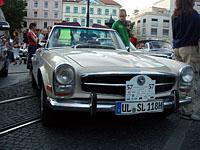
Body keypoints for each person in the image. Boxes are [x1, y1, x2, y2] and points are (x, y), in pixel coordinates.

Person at [172, 0, 200, 120]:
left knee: (180, 79)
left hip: (177, 48)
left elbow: (174, 33)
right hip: (189, 49)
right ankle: (188, 111)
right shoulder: (194, 16)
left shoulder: (175, 15)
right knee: (191, 78)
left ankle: (179, 106)